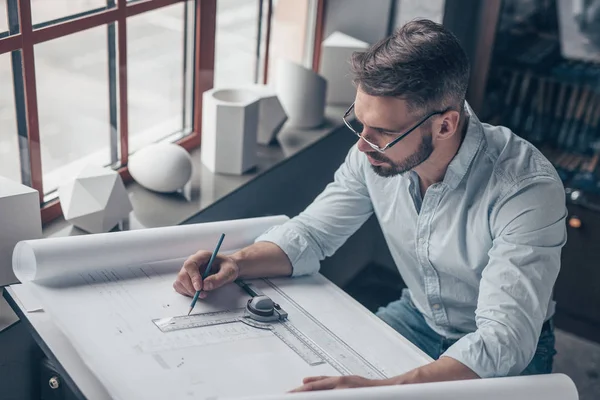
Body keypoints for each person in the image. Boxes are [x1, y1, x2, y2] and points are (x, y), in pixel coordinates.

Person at [173, 19, 567, 392]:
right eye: (360, 122)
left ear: (444, 125)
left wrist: (384, 391)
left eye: (383, 132)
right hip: (417, 318)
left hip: (503, 356)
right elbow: (312, 234)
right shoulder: (373, 153)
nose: (362, 144)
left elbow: (504, 339)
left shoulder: (526, 189)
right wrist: (237, 262)